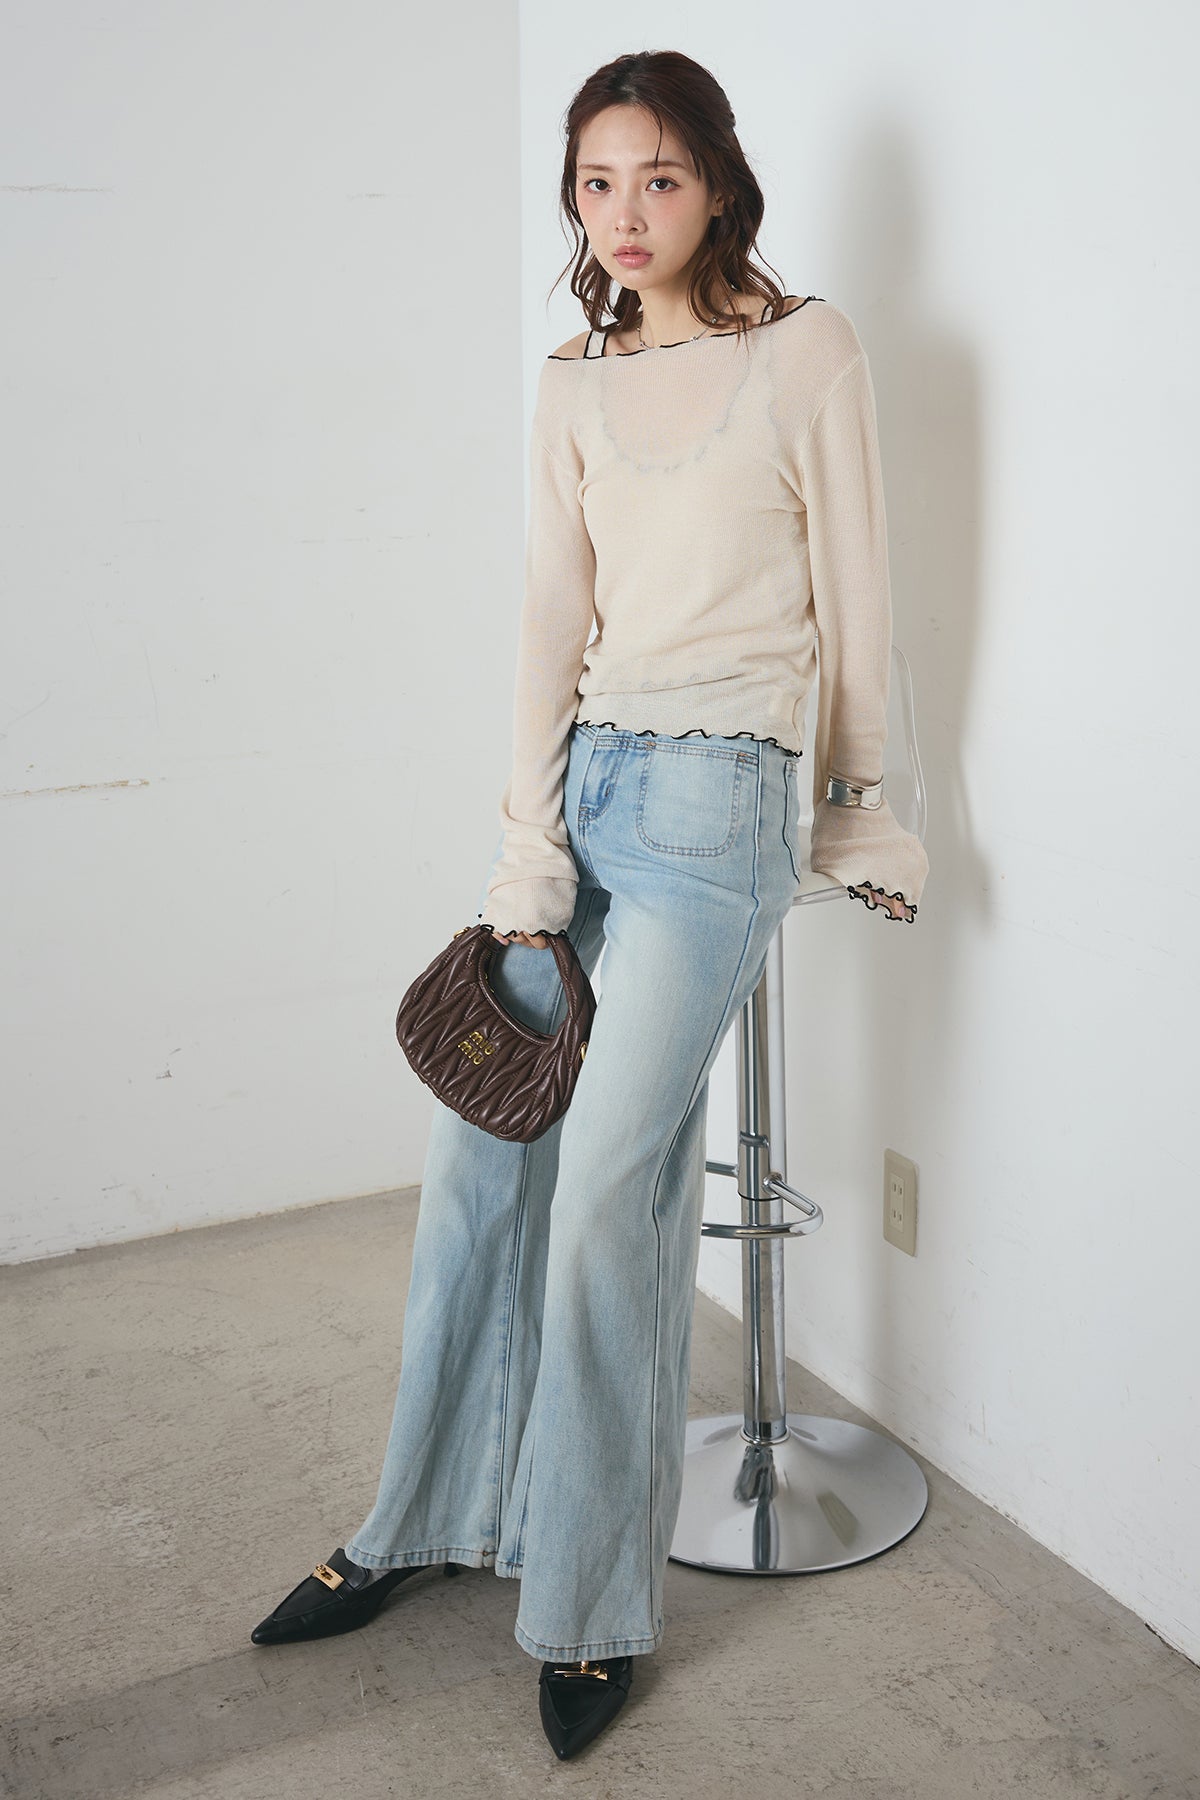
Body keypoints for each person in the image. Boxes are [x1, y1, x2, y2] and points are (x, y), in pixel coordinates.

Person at [248, 48, 930, 1762]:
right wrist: (523, 853)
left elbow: (861, 599)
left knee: (608, 1198)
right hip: (594, 792)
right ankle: (419, 1520)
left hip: (722, 817)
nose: (626, 214)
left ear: (720, 185)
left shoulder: (807, 351)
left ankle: (589, 1607)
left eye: (661, 179)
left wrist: (862, 812)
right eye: (597, 182)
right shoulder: (570, 380)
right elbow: (549, 629)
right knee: (478, 1161)